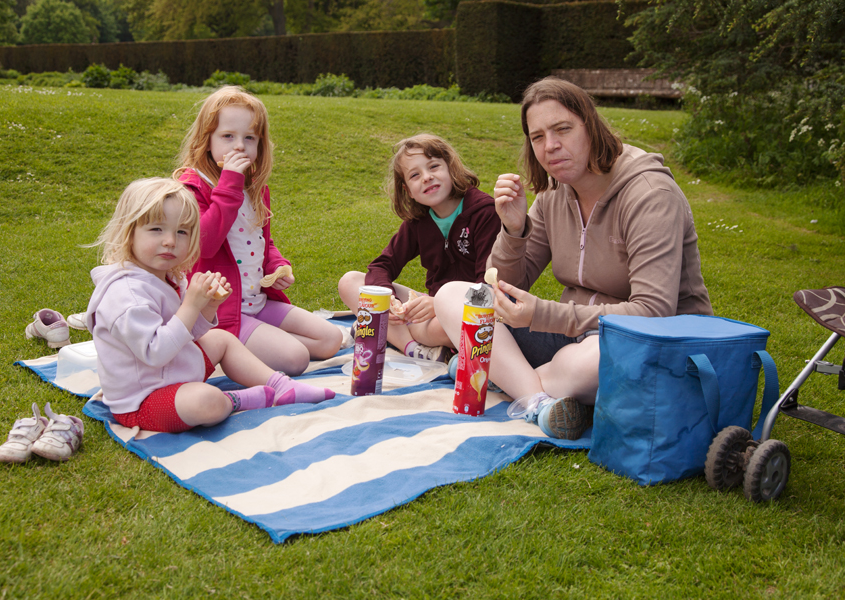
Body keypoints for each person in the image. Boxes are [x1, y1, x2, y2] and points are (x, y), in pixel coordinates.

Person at [434, 77, 713, 439]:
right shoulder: (554, 192)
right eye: (537, 137)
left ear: (591, 127)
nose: (550, 147)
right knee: (456, 296)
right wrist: (515, 230)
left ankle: (497, 373)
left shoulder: (649, 194)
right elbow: (500, 288)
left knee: (584, 365)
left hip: (649, 343)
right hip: (571, 335)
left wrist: (542, 314)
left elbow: (653, 311)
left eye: (562, 129)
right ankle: (540, 400)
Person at [85, 178, 334, 434]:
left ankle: (282, 386)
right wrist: (192, 305)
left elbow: (187, 334)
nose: (170, 241)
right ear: (129, 233)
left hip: (175, 370)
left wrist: (208, 308)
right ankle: (240, 400)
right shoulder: (127, 295)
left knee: (220, 339)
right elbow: (156, 352)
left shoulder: (168, 277)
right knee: (207, 401)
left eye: (181, 232)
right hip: (143, 399)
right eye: (156, 229)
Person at [174, 86, 342, 376]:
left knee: (331, 340)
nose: (239, 146)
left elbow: (264, 242)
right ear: (207, 140)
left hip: (257, 302)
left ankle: (253, 344)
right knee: (296, 359)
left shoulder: (256, 190)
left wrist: (277, 265)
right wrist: (229, 185)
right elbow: (204, 244)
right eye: (228, 136)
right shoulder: (192, 188)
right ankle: (211, 344)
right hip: (221, 311)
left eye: (249, 138)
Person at [338, 134, 501, 362]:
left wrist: (438, 305)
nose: (427, 177)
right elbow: (381, 266)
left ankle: (381, 329)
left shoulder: (485, 213)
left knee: (455, 325)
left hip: (468, 311)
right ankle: (414, 349)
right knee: (350, 282)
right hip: (430, 312)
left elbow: (487, 288)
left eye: (434, 166)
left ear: (451, 168)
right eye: (415, 175)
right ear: (408, 190)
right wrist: (390, 300)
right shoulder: (419, 221)